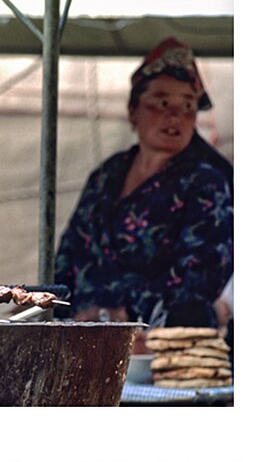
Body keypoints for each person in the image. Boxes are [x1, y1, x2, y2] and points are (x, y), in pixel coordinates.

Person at [54, 38, 233, 329]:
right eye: (162, 102)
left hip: (152, 345)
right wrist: (64, 316)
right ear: (133, 111)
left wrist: (116, 316)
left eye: (187, 104)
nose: (175, 115)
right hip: (79, 338)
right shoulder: (107, 175)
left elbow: (197, 289)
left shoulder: (205, 185)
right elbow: (67, 257)